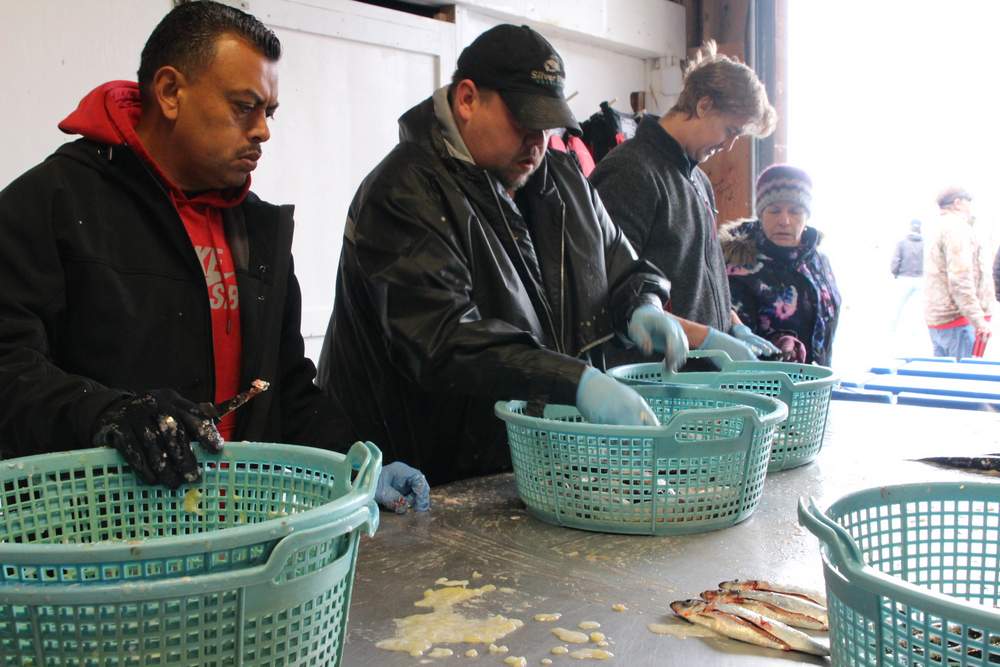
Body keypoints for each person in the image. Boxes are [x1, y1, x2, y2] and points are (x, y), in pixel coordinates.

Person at [0, 1, 429, 513]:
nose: (263, 130)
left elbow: (285, 388)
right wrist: (108, 413)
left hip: (231, 529)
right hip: (92, 542)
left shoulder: (259, 232)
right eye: (243, 106)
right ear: (170, 92)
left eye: (268, 112)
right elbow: (8, 366)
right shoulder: (49, 204)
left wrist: (357, 462)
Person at [317, 24, 687, 485]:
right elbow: (443, 340)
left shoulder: (562, 179)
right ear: (467, 100)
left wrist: (642, 304)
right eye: (523, 121)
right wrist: (573, 381)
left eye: (547, 125)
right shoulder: (404, 192)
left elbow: (620, 264)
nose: (537, 141)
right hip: (423, 480)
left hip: (523, 471)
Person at [590, 40, 779, 364]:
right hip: (653, 383)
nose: (729, 145)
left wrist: (734, 326)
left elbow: (699, 279)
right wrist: (704, 339)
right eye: (730, 130)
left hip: (700, 387)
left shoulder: (699, 180)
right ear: (703, 105)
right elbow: (608, 292)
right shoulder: (631, 171)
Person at [721, 165, 841, 365]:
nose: (784, 221)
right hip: (761, 389)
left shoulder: (820, 262)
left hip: (815, 388)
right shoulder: (738, 265)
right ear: (761, 214)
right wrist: (777, 345)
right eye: (774, 211)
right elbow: (729, 337)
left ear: (807, 216)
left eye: (795, 211)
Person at [924, 187, 994, 358]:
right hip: (958, 319)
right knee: (962, 378)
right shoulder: (956, 228)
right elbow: (960, 278)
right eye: (969, 202)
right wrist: (978, 320)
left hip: (940, 318)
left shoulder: (937, 226)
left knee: (944, 376)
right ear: (957, 203)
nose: (971, 207)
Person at [889, 218, 923, 335]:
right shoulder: (925, 244)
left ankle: (892, 329)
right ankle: (914, 331)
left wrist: (895, 273)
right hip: (920, 279)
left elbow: (895, 261)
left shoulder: (902, 243)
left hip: (904, 278)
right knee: (916, 308)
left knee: (897, 306)